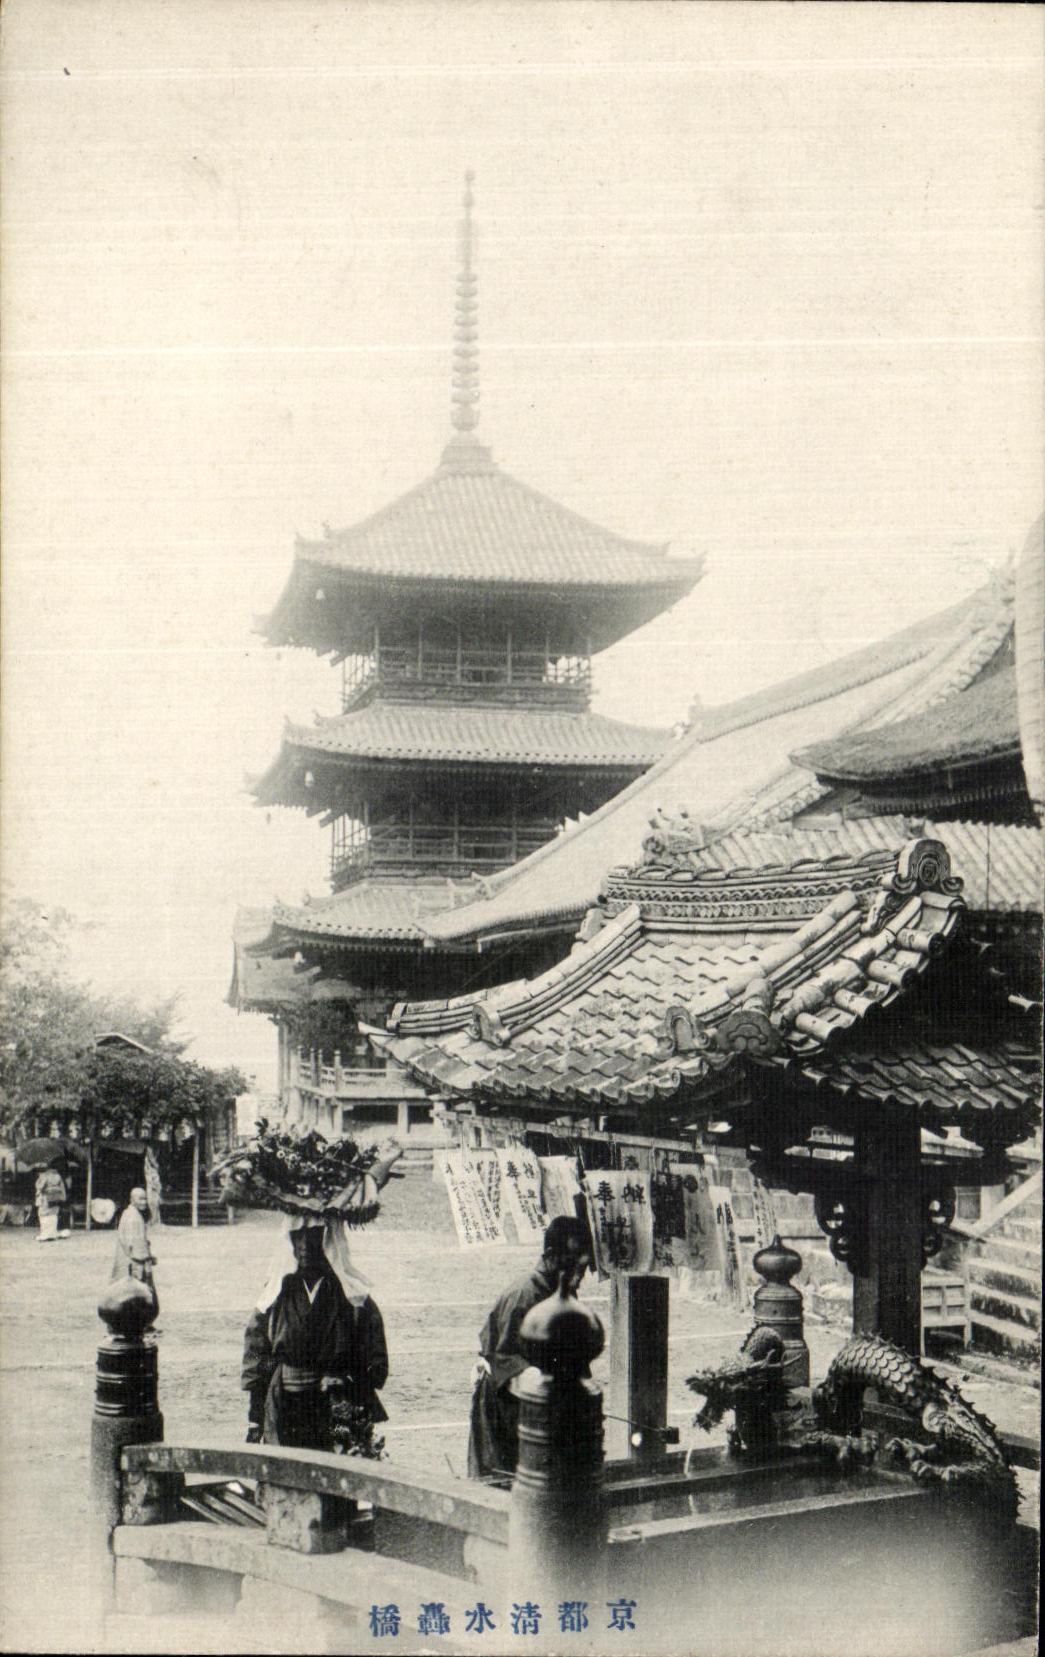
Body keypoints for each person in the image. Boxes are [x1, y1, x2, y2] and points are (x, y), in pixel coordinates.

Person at [241, 1216, 388, 1452]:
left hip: (334, 1405)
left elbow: (375, 1360)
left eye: (314, 1236)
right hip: (285, 1402)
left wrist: (347, 1384)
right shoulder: (276, 1294)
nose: (304, 1246)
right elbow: (258, 1355)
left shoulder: (353, 1297)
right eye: (298, 1236)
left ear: (331, 1241)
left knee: (334, 1470)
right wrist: (256, 1415)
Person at [467, 1214, 591, 1482]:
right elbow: (502, 1356)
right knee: (507, 1485)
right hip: (507, 1407)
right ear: (549, 1255)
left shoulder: (562, 1293)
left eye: (583, 1269)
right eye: (573, 1267)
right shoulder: (523, 1295)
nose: (579, 1277)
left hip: (546, 1407)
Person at [35, 1162, 69, 1243]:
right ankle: (52, 1234)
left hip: (46, 1198)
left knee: (43, 1215)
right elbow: (62, 1188)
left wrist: (38, 1180)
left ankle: (45, 1234)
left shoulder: (44, 1176)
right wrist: (62, 1198)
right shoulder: (58, 1176)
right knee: (53, 1215)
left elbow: (40, 1187)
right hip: (55, 1198)